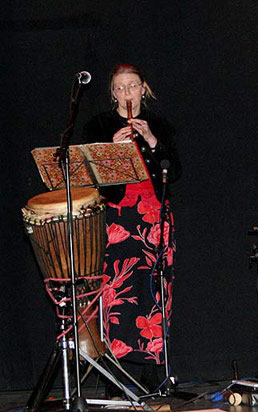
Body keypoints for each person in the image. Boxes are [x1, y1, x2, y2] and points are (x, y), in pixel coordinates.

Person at [82, 63, 181, 392]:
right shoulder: (98, 126)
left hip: (155, 218)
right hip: (118, 218)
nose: (127, 93)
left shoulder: (160, 125)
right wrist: (113, 150)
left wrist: (151, 141)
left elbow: (174, 173)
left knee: (154, 290)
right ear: (113, 93)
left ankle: (154, 375)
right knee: (117, 292)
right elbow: (93, 180)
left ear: (144, 89)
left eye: (133, 86)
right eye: (120, 87)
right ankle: (116, 376)